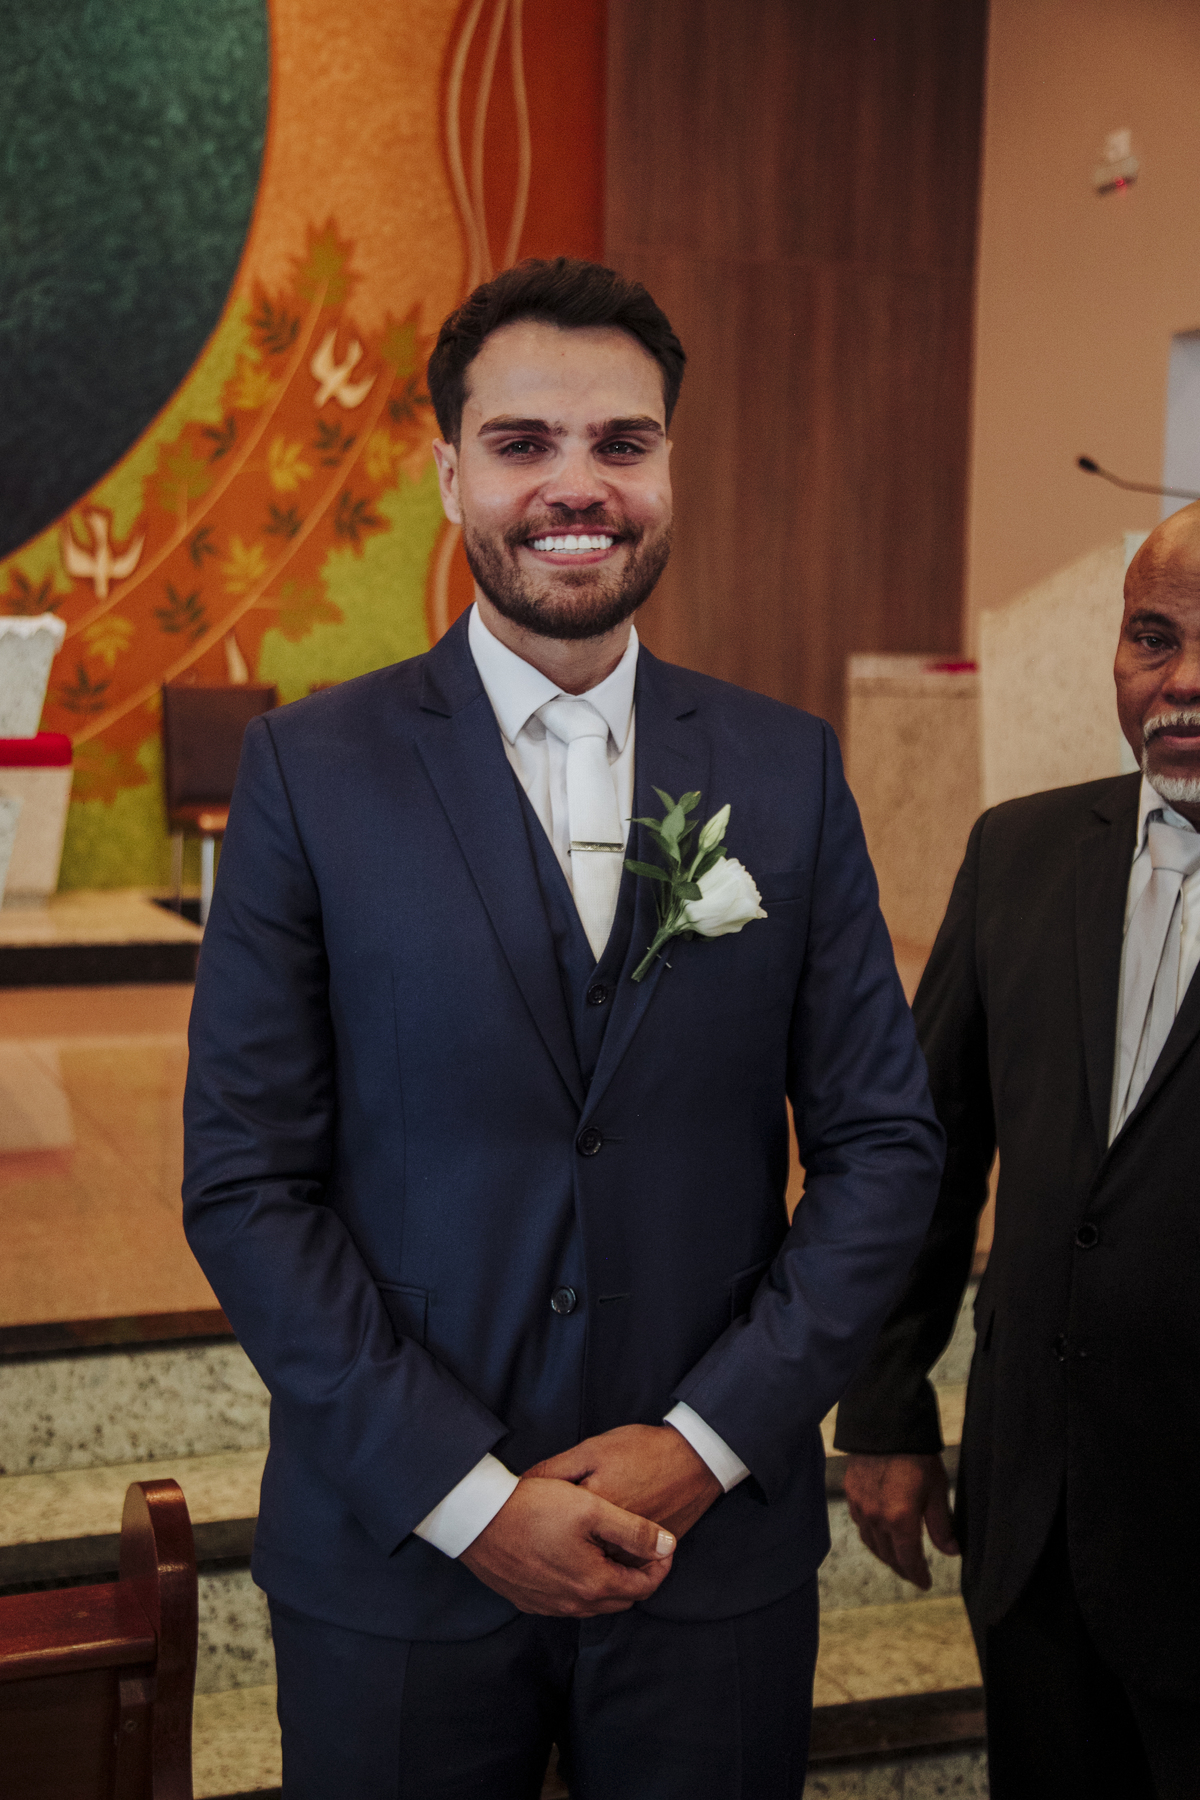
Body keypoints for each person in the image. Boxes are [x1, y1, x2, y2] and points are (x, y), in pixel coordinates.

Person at [183, 256, 943, 1800]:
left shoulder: (787, 770)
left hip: (709, 1561)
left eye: (622, 443)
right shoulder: (309, 773)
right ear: (448, 474)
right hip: (397, 1562)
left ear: (669, 465)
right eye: (524, 443)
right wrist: (468, 1498)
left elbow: (884, 1148)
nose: (577, 486)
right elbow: (247, 1184)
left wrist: (707, 1440)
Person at [835, 503, 1200, 1799]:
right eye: (1152, 638)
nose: (1182, 681)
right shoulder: (1020, 854)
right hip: (1036, 1523)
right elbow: (925, 1152)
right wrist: (885, 1408)